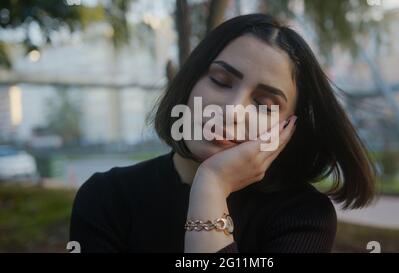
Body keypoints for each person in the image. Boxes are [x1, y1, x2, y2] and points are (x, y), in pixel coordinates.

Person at [70, 13, 376, 253]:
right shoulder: (107, 197)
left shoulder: (302, 217)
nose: (232, 110)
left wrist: (211, 187)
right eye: (220, 80)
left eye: (264, 103)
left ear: (287, 128)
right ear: (190, 84)